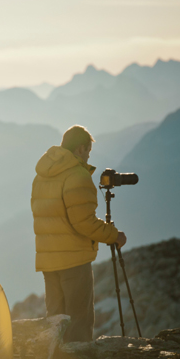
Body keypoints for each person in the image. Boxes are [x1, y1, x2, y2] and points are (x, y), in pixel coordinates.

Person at [30, 125, 127, 342]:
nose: (87, 158)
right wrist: (113, 235)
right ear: (81, 148)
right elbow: (84, 222)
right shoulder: (77, 175)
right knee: (78, 322)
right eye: (88, 153)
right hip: (73, 260)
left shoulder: (42, 176)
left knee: (55, 322)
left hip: (48, 259)